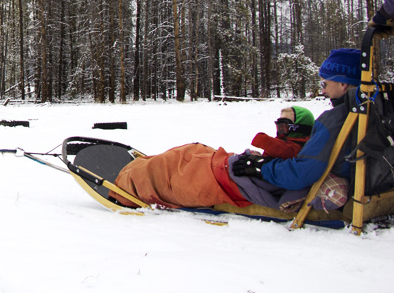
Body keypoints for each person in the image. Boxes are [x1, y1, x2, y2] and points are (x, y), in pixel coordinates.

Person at [112, 49, 359, 211]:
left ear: (343, 82)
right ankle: (141, 168)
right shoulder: (364, 116)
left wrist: (259, 167)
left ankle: (125, 184)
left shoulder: (335, 120)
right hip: (259, 176)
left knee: (183, 164)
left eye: (325, 83)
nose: (323, 90)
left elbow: (301, 173)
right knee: (193, 153)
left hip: (255, 183)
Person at [249, 106, 314, 160]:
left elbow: (285, 150)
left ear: (297, 128)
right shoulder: (286, 140)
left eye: (284, 126)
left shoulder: (301, 147)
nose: (281, 130)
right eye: (279, 126)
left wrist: (263, 139)